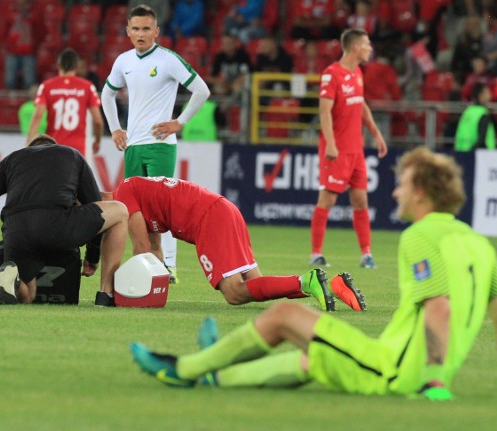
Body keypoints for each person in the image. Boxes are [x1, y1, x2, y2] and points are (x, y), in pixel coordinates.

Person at [131, 147, 497, 403]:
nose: (395, 192)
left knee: (284, 317)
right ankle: (216, 368)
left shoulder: (419, 237)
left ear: (422, 193)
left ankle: (183, 368)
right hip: (391, 361)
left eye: (403, 185)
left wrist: (435, 383)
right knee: (308, 358)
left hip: (394, 372)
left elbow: (440, 309)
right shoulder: (479, 243)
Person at [114, 176, 367, 311]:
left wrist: (115, 291)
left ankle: (306, 281)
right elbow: (154, 252)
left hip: (207, 218)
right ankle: (332, 286)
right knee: (255, 285)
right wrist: (157, 293)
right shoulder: (135, 190)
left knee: (234, 293)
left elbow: (141, 251)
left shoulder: (122, 195)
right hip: (224, 209)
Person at [101, 4, 212, 284]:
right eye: (136, 28)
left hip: (161, 144)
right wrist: (115, 128)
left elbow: (202, 89)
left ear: (156, 32)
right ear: (127, 31)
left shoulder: (167, 59)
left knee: (162, 209)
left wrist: (180, 122)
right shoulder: (124, 61)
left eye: (146, 29)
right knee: (134, 211)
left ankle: (170, 266)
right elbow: (106, 94)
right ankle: (149, 263)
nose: (141, 34)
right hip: (134, 146)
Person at [0, 134, 129, 306]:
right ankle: (106, 294)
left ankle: (13, 282)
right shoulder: (71, 154)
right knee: (120, 211)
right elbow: (93, 203)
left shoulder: (12, 159)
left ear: (29, 149)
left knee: (29, 294)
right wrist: (92, 256)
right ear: (54, 146)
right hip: (58, 224)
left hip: (16, 232)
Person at [311, 28, 388, 270]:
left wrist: (376, 133)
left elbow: (361, 104)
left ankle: (366, 254)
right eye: (367, 44)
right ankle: (316, 254)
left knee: (360, 199)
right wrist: (331, 143)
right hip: (337, 150)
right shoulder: (331, 74)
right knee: (328, 199)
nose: (370, 48)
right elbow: (324, 111)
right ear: (355, 48)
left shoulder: (357, 74)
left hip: (356, 150)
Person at [27, 49, 103, 158]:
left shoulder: (47, 86)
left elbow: (37, 117)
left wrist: (29, 144)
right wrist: (97, 141)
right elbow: (98, 121)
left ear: (58, 65)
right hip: (77, 150)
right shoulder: (87, 87)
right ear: (76, 67)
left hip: (53, 147)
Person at [3, 0, 43, 90]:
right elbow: (4, 30)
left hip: (29, 52)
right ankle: (10, 101)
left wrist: (35, 44)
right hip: (12, 51)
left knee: (29, 81)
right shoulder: (11, 11)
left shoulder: (35, 13)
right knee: (9, 80)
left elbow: (41, 31)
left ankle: (29, 101)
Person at [455, 83, 497, 150]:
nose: (490, 95)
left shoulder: (467, 111)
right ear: (481, 95)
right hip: (480, 154)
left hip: (461, 150)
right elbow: (482, 138)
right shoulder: (482, 113)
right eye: (487, 92)